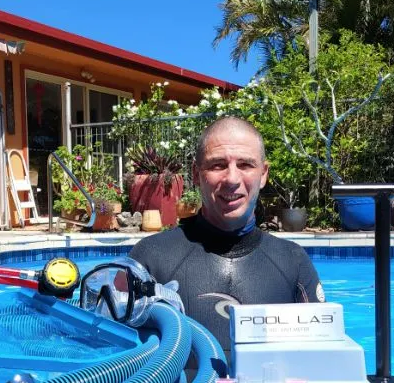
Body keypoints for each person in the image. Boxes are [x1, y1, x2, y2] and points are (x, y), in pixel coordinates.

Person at [130, 116, 324, 356]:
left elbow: (322, 356)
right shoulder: (152, 258)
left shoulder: (293, 261)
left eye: (245, 165)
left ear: (263, 174)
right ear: (196, 174)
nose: (232, 179)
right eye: (218, 165)